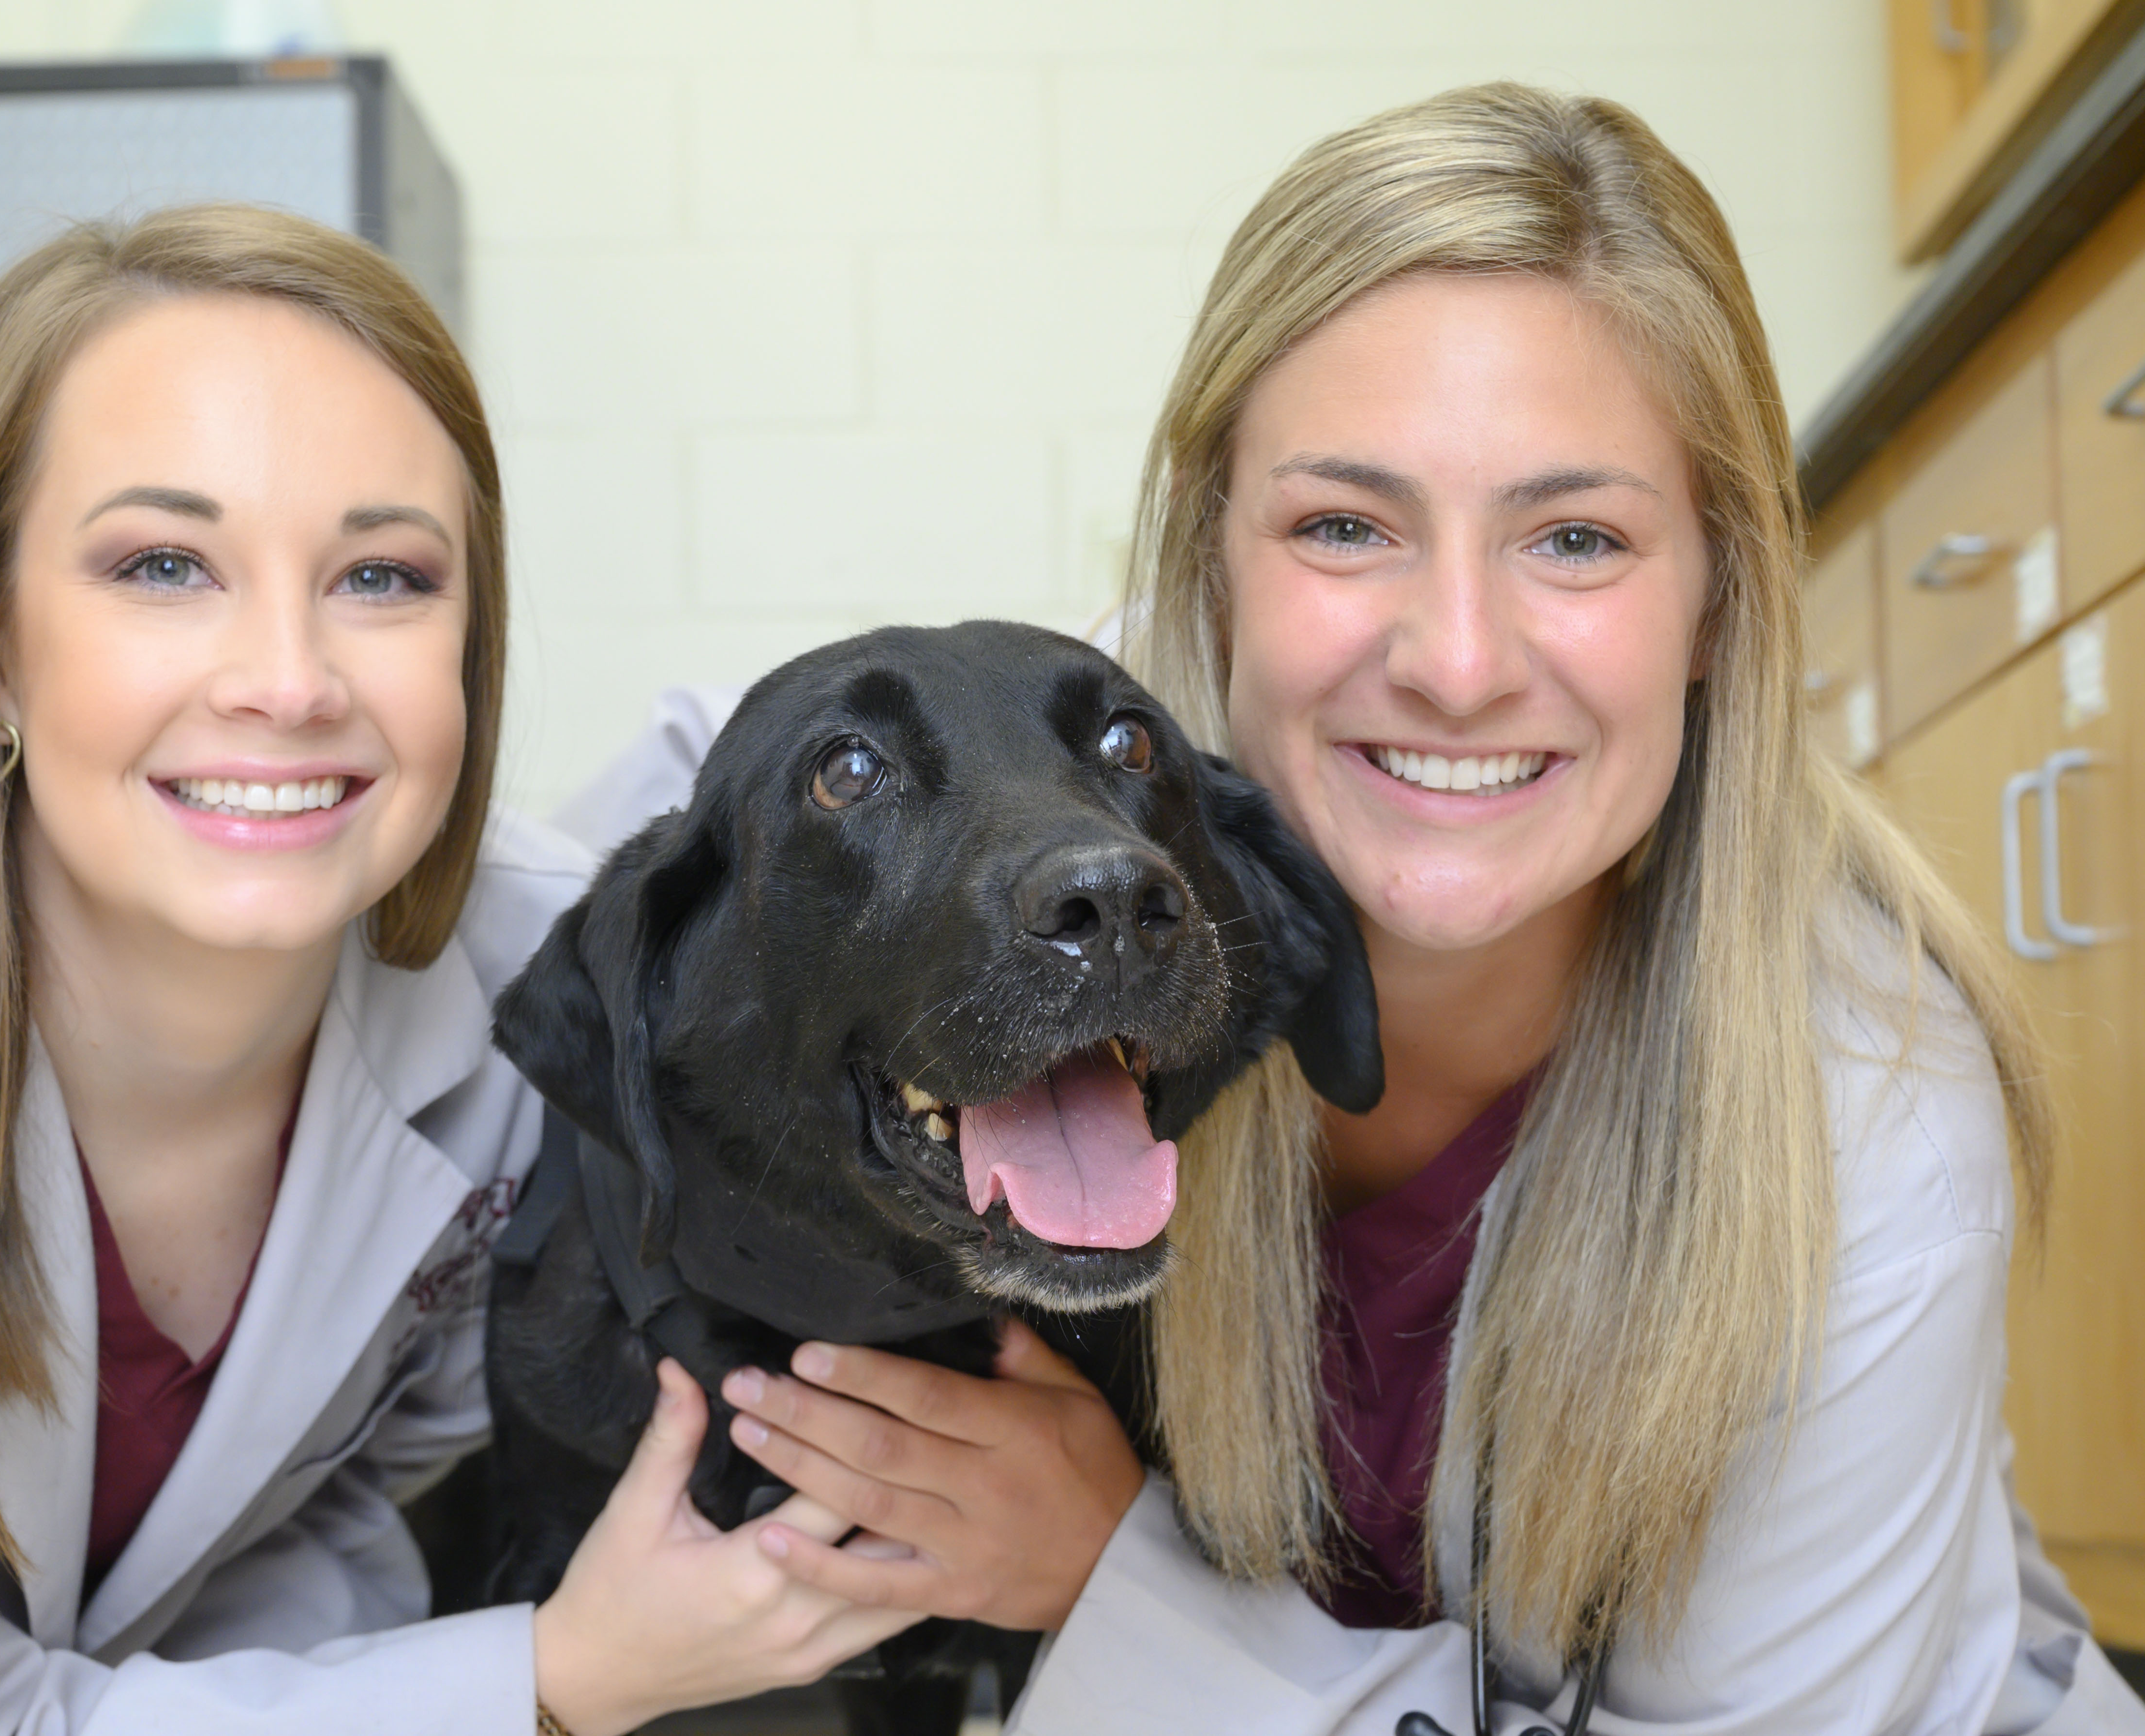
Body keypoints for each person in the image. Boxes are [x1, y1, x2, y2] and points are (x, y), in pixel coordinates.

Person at [702, 86, 2145, 1730]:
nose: (1456, 662)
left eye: (1578, 536)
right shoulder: (1091, 821)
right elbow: (726, 803)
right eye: (1344, 526)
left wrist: (1119, 1573)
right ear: (1212, 570)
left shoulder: (1872, 1116)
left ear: (1716, 604)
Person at [0, 204, 915, 1736]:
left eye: (383, 578)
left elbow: (286, 1529)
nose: (287, 681)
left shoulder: (540, 987)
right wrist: (549, 1677)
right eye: (164, 564)